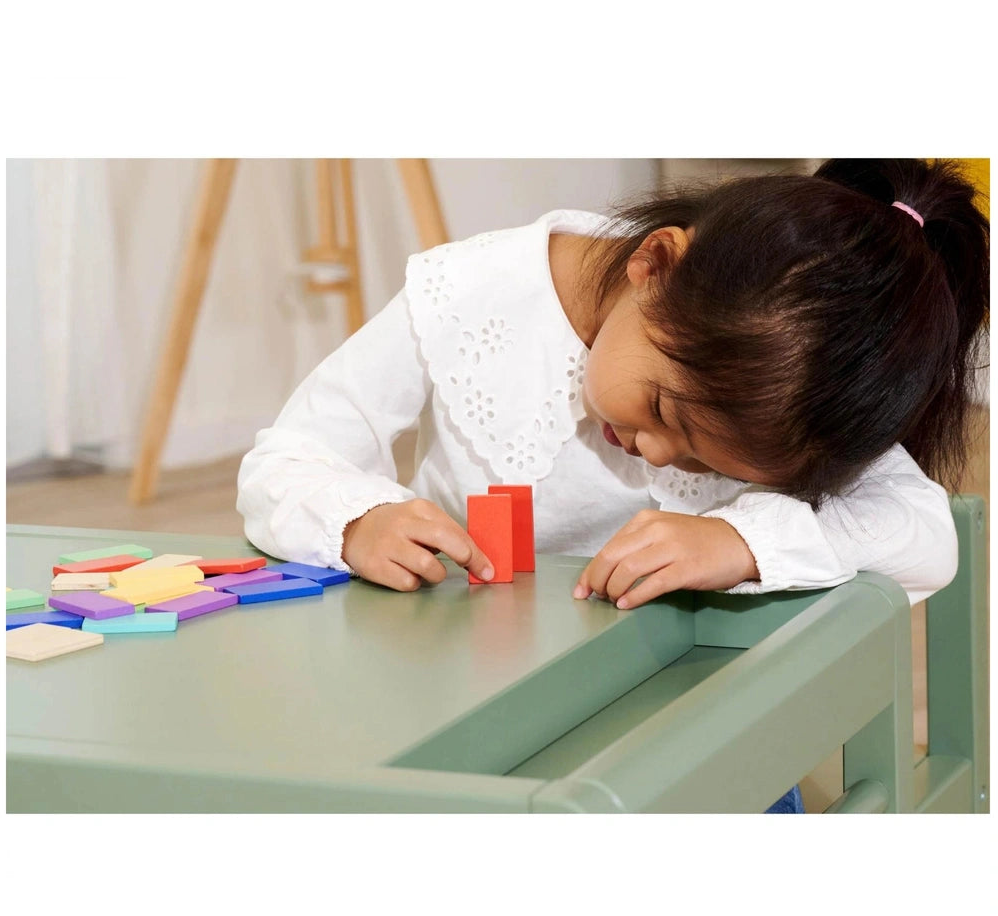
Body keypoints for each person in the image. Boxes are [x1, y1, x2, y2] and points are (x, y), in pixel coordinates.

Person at [238, 158, 988, 614]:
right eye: (664, 409)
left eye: (705, 462)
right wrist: (359, 521)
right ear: (654, 265)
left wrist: (739, 539)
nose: (658, 454)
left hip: (672, 703)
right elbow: (288, 456)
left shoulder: (796, 378)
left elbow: (924, 536)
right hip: (469, 681)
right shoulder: (470, 291)